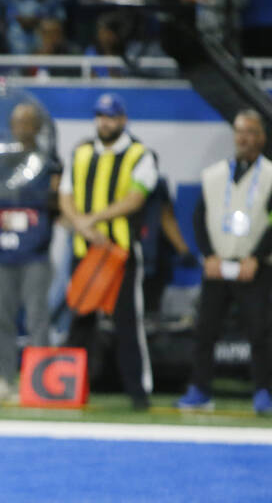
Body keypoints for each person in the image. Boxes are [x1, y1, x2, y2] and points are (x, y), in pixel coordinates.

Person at [58, 93, 157, 411]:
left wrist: (95, 220)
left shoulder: (140, 154)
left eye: (111, 116)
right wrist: (81, 226)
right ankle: (67, 387)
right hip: (84, 250)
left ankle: (138, 393)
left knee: (127, 323)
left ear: (123, 119)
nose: (105, 122)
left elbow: (135, 198)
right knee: (80, 318)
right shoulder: (81, 152)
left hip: (120, 254)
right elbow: (65, 195)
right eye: (100, 116)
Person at [178, 110, 272, 415]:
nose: (243, 138)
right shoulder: (215, 174)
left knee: (260, 331)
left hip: (253, 267)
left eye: (250, 132)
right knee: (205, 330)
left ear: (262, 137)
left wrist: (256, 258)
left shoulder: (270, 175)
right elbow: (198, 218)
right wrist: (208, 256)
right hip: (218, 265)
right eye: (239, 131)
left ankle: (264, 391)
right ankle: (200, 389)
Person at [0, 102, 61, 403]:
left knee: (37, 317)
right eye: (17, 122)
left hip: (35, 252)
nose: (21, 128)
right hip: (2, 251)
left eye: (27, 122)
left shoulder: (48, 162)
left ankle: (38, 384)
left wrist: (28, 214)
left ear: (37, 127)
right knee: (3, 319)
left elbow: (53, 204)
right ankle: (6, 381)